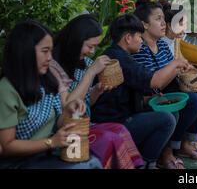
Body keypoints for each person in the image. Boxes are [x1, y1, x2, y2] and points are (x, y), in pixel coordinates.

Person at [90, 14, 189, 169]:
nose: (142, 41)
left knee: (171, 112)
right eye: (139, 37)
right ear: (128, 38)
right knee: (167, 120)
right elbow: (155, 81)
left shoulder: (117, 53)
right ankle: (145, 163)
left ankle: (154, 157)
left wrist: (148, 99)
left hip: (125, 113)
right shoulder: (119, 58)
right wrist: (175, 63)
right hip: (115, 123)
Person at [0, 20, 102, 169]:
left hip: (45, 154)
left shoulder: (47, 79)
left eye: (50, 51)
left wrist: (69, 110)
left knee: (93, 162)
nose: (49, 57)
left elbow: (59, 122)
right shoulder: (7, 89)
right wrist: (51, 142)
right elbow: (7, 146)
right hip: (18, 162)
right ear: (25, 51)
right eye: (45, 51)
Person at [52, 14, 144, 169]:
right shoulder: (53, 67)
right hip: (64, 132)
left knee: (120, 130)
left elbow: (86, 103)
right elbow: (67, 107)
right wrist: (90, 73)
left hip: (84, 125)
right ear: (76, 40)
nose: (93, 51)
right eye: (90, 46)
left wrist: (96, 91)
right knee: (109, 138)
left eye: (95, 46)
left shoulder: (85, 63)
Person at [132, 0, 197, 168]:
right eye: (158, 19)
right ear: (144, 25)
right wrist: (175, 65)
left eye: (163, 18)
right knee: (193, 100)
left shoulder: (160, 45)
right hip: (146, 100)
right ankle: (167, 150)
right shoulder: (140, 48)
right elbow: (154, 83)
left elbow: (175, 73)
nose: (164, 23)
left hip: (162, 93)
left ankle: (183, 144)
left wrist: (185, 69)